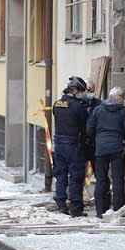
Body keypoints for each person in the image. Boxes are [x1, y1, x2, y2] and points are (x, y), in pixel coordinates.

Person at [86, 86, 125, 218]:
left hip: (101, 149)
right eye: (123, 98)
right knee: (118, 179)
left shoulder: (98, 110)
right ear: (119, 97)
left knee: (101, 179)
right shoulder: (123, 112)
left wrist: (96, 141)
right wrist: (123, 140)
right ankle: (118, 210)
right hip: (117, 149)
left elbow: (89, 129)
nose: (123, 101)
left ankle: (100, 210)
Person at [51, 77, 89, 217]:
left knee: (60, 175)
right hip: (73, 146)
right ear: (75, 90)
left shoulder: (57, 104)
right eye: (81, 91)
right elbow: (85, 126)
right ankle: (75, 208)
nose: (82, 94)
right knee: (75, 176)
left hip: (59, 145)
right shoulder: (78, 106)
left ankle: (61, 205)